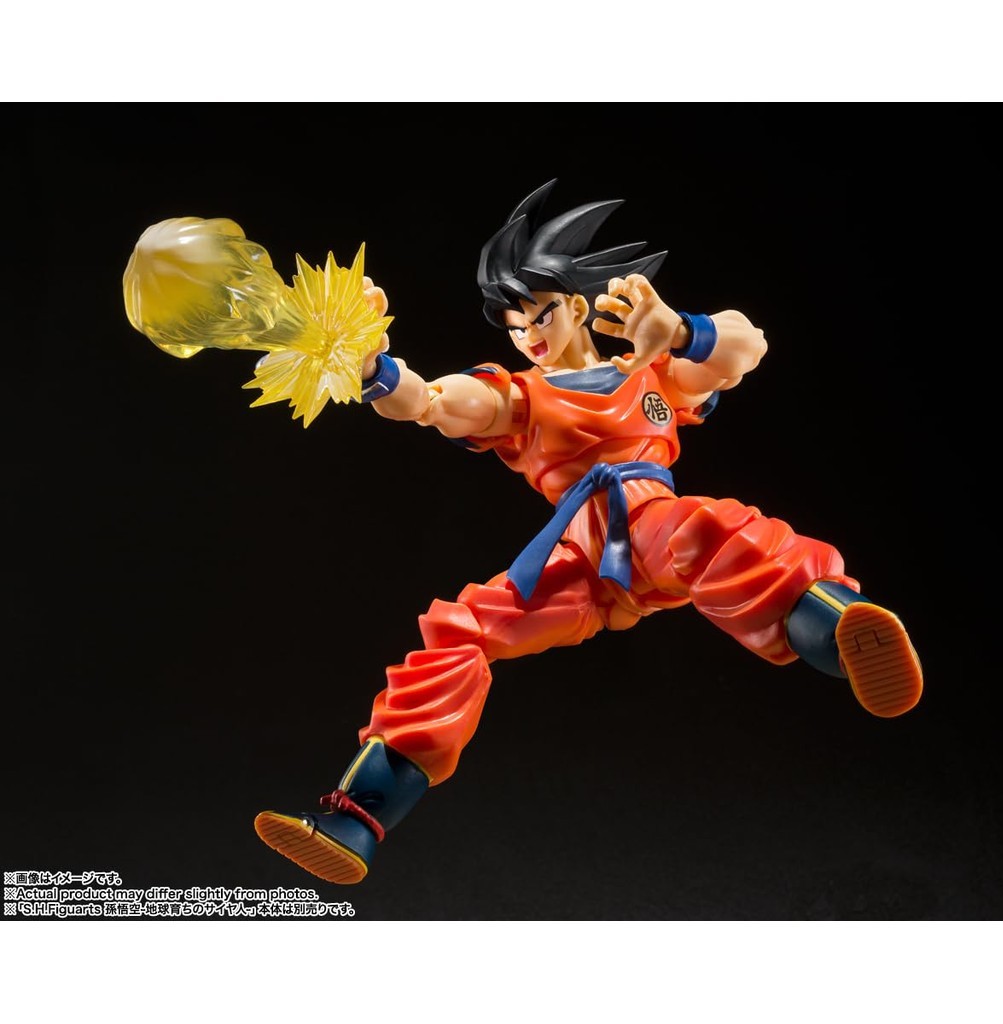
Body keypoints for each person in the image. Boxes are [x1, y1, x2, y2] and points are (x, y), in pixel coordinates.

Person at [254, 180, 923, 885]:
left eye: (537, 314)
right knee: (461, 630)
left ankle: (838, 634)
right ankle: (354, 821)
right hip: (578, 561)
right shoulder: (521, 395)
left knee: (707, 527)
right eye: (513, 325)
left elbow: (745, 345)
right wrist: (372, 368)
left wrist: (680, 330)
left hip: (654, 527)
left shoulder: (651, 373)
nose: (527, 334)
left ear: (575, 304)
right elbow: (432, 402)